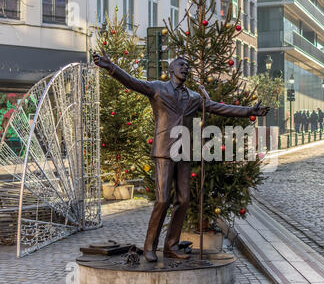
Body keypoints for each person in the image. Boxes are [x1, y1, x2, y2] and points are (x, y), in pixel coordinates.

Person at [93, 50, 269, 262]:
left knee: (183, 199)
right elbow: (131, 82)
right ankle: (150, 246)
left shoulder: (194, 97)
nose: (185, 68)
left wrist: (250, 110)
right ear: (171, 70)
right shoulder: (158, 88)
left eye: (187, 66)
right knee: (162, 199)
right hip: (164, 151)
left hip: (184, 151)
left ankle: (171, 246)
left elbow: (218, 108)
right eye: (181, 65)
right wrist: (110, 66)